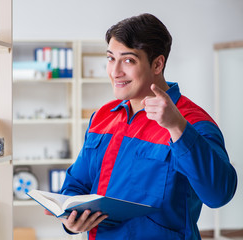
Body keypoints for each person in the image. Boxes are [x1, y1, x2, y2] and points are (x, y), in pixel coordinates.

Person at [44, 13, 237, 239]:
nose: (115, 72)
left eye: (128, 60)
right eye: (110, 58)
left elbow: (219, 194)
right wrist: (71, 221)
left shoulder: (191, 121)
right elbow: (77, 184)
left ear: (157, 64)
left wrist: (177, 128)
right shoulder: (102, 117)